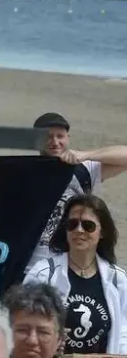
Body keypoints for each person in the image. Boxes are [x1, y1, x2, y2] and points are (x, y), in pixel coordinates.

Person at [24, 193, 127, 356]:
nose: (79, 230)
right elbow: (24, 321)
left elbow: (123, 333)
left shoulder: (117, 280)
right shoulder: (43, 273)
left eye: (88, 226)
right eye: (72, 224)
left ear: (102, 232)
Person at [30, 112, 127, 268]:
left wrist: (87, 155)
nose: (54, 142)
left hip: (72, 260)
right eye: (48, 136)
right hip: (32, 262)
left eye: (60, 136)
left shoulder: (84, 169)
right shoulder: (24, 170)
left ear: (68, 138)